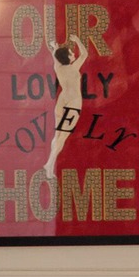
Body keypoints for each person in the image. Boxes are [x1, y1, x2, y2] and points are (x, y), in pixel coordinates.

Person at [42, 34, 87, 176]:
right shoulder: (74, 68)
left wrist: (55, 48)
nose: (73, 54)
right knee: (62, 137)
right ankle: (49, 164)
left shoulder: (58, 68)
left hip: (61, 101)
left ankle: (49, 166)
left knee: (57, 135)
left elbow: (55, 56)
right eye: (71, 53)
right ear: (67, 57)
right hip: (73, 103)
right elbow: (84, 54)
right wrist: (77, 40)